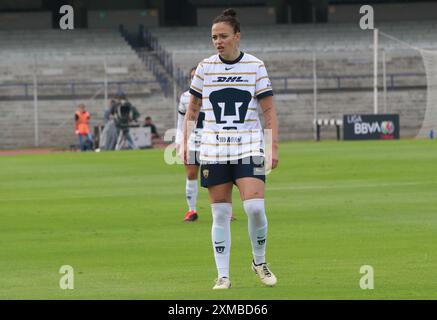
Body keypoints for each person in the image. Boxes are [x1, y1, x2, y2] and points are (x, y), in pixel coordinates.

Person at [181, 8, 279, 290]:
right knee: (221, 214)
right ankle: (223, 275)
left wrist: (272, 146)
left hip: (249, 147)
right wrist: (187, 143)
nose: (218, 41)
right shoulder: (205, 68)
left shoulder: (255, 66)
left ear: (237, 36)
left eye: (223, 36)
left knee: (255, 208)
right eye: (214, 37)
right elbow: (193, 109)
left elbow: (269, 110)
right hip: (214, 150)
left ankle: (259, 261)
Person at [176, 67, 236, 222]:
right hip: (193, 142)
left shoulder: (216, 94)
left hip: (214, 142)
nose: (194, 79)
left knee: (223, 176)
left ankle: (227, 210)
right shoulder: (185, 97)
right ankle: (192, 210)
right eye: (191, 76)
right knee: (191, 174)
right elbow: (180, 120)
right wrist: (180, 141)